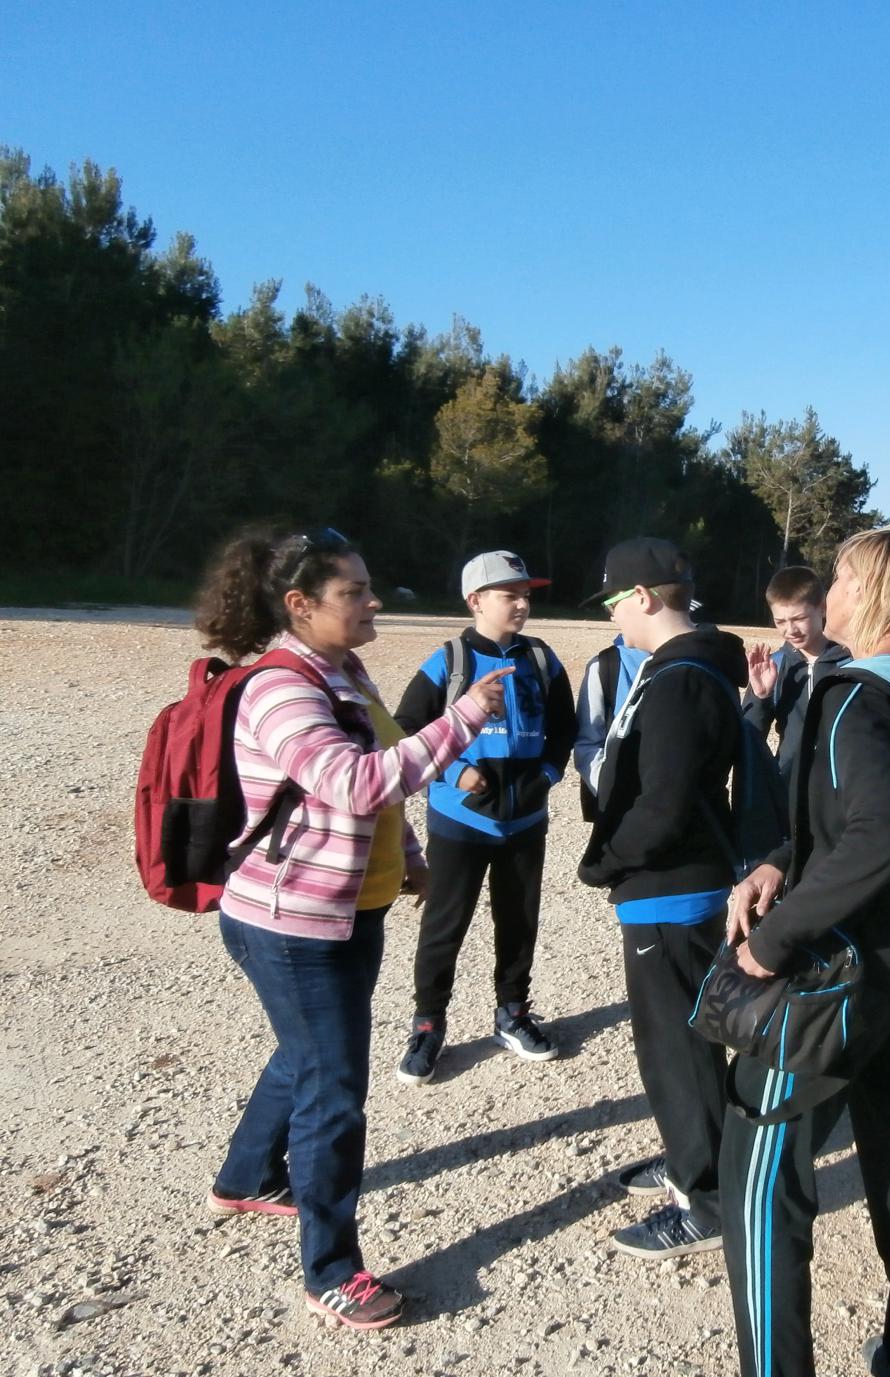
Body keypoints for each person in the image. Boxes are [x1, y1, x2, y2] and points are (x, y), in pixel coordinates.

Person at [198, 527, 509, 1331]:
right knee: (333, 1090)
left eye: (369, 587)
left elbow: (384, 773)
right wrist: (464, 717)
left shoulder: (342, 669)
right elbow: (356, 783)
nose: (373, 601)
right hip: (290, 923)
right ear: (300, 605)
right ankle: (331, 1271)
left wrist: (411, 859)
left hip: (347, 911)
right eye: (355, 592)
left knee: (306, 1052)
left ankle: (244, 1178)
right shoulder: (281, 688)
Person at [719, 526, 890, 1377]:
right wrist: (782, 858)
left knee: (759, 1181)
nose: (826, 592)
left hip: (834, 983)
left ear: (867, 592)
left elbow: (879, 836)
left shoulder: (853, 698)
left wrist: (773, 942)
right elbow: (873, 818)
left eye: (839, 577)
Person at [576, 538, 748, 1260]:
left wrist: (604, 861)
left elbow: (664, 803)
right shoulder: (681, 668)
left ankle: (706, 1200)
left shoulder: (680, 679)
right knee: (680, 1040)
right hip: (667, 885)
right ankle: (690, 1154)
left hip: (669, 890)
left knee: (676, 1049)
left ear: (642, 597)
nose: (612, 615)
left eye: (614, 601)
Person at [393, 550, 576, 1083]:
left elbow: (565, 728)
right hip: (461, 822)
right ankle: (428, 1025)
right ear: (475, 600)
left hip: (526, 821)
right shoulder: (448, 660)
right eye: (508, 595)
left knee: (518, 921)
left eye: (525, 595)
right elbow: (404, 727)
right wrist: (453, 773)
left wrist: (546, 775)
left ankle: (513, 1014)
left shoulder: (542, 658)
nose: (521, 604)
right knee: (444, 925)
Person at [744, 565, 852, 793]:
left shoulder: (850, 664)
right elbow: (750, 737)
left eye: (799, 618)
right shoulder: (775, 665)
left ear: (822, 608)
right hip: (788, 788)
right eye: (780, 621)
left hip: (838, 791)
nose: (790, 629)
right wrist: (761, 697)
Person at [573, 627, 649, 818]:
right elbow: (588, 742)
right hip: (620, 805)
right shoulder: (605, 665)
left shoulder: (696, 659)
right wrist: (610, 791)